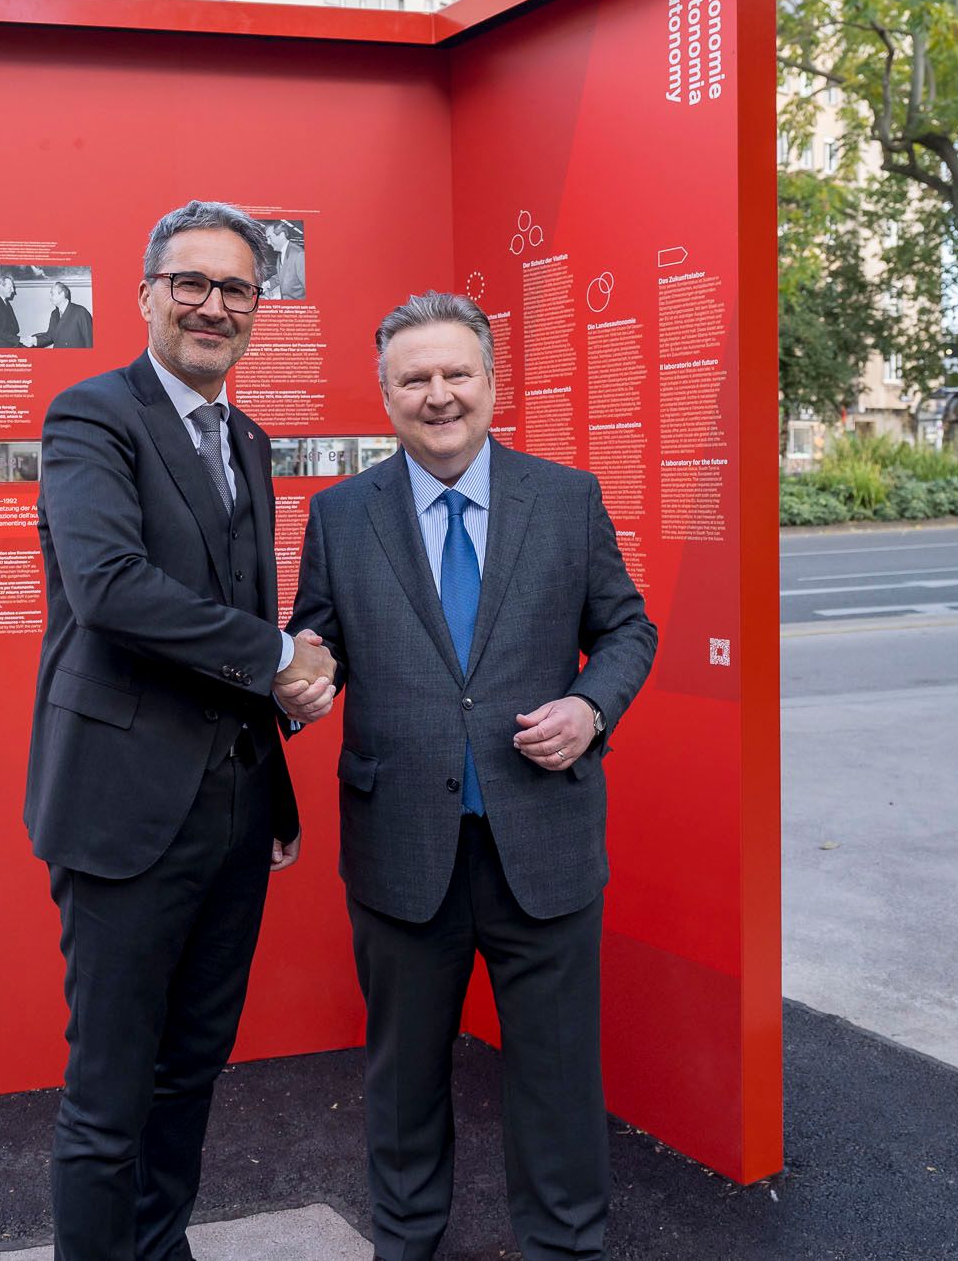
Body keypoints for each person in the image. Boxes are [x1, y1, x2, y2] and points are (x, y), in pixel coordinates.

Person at [288, 291, 655, 1261]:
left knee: (557, 1077)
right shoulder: (340, 515)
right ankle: (406, 1243)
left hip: (543, 838)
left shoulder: (566, 499)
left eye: (457, 372)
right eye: (415, 378)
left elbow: (627, 628)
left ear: (492, 383)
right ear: (385, 396)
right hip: (401, 843)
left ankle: (564, 1247)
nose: (439, 394)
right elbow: (317, 639)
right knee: (403, 1079)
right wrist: (303, 677)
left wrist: (591, 708)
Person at [26, 199, 337, 1261]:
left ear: (256, 307)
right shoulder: (91, 416)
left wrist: (275, 784)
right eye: (191, 283)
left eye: (235, 288)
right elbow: (110, 588)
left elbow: (237, 614)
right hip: (123, 808)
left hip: (234, 810)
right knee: (109, 1092)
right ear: (146, 295)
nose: (212, 305)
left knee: (191, 1069)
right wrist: (280, 656)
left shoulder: (246, 438)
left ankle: (160, 1250)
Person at [33, 280, 95, 348]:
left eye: (52, 294)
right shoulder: (54, 314)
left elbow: (89, 340)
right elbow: (50, 336)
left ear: (62, 294)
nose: (50, 297)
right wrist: (34, 341)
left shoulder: (80, 311)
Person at [261, 222, 305, 300]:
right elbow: (282, 275)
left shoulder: (299, 254)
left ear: (281, 235)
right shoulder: (281, 253)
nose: (268, 242)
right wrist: (267, 283)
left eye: (270, 237)